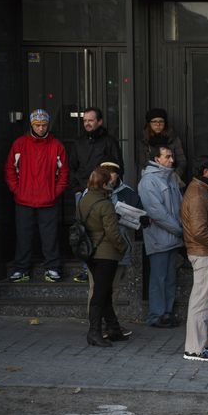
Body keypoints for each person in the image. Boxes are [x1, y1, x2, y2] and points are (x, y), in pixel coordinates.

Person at [4, 109, 69, 283]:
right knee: (23, 236)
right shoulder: (19, 144)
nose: (41, 128)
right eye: (37, 125)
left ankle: (53, 268)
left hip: (48, 200)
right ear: (31, 125)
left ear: (48, 125)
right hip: (24, 199)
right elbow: (10, 169)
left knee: (50, 236)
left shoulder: (57, 146)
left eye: (44, 125)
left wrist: (54, 192)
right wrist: (17, 190)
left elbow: (63, 173)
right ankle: (21, 269)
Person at [84, 162, 145, 339]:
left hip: (99, 250)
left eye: (112, 173)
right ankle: (98, 326)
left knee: (111, 289)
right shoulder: (98, 199)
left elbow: (139, 215)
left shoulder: (127, 193)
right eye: (105, 174)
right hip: (107, 251)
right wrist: (122, 246)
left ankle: (108, 325)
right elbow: (110, 231)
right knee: (100, 289)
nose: (110, 177)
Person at [69, 107, 123, 283]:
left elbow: (117, 167)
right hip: (82, 193)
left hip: (103, 193)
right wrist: (77, 189)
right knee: (83, 231)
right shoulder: (78, 143)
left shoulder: (109, 142)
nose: (87, 124)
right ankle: (86, 268)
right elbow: (71, 168)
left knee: (103, 229)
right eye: (85, 121)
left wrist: (110, 187)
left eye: (91, 120)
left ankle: (102, 264)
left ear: (100, 121)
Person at [78, 167, 129, 347]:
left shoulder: (83, 200)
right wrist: (123, 248)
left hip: (90, 252)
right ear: (105, 183)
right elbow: (113, 233)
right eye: (110, 180)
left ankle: (114, 329)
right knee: (101, 294)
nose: (112, 183)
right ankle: (95, 332)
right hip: (107, 254)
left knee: (104, 292)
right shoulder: (105, 204)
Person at [181, 155, 208, 362]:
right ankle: (195, 349)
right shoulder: (198, 194)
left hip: (203, 252)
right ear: (206, 172)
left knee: (202, 300)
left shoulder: (199, 190)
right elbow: (198, 230)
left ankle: (197, 345)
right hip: (204, 253)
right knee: (202, 302)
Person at [138, 146, 184, 329]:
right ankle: (156, 315)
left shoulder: (170, 177)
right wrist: (179, 230)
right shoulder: (149, 181)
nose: (172, 160)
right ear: (156, 159)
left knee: (170, 278)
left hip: (172, 237)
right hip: (159, 238)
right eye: (167, 156)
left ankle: (166, 312)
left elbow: (179, 206)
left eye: (171, 156)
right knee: (159, 278)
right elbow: (158, 213)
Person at [137, 108, 186, 186]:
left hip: (171, 179)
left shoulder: (173, 139)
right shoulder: (144, 141)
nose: (158, 124)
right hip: (151, 181)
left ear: (165, 123)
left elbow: (182, 161)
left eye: (161, 121)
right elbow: (142, 165)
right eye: (154, 121)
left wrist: (175, 174)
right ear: (149, 123)